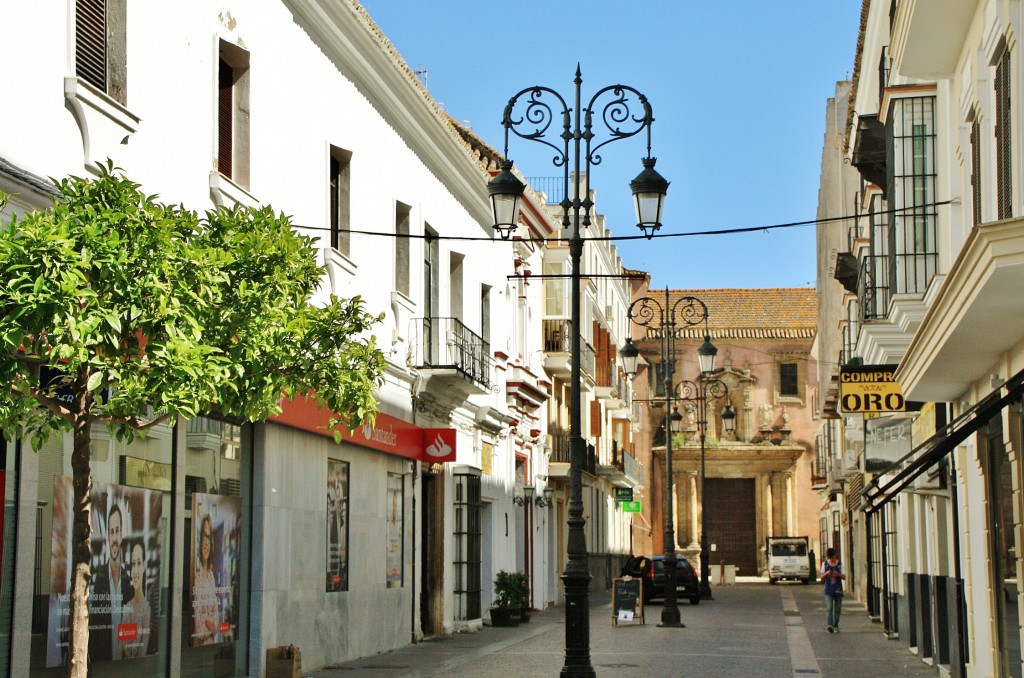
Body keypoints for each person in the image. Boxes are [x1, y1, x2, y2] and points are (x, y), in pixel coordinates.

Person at [90, 502, 134, 662]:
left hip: (125, 661)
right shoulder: (98, 580)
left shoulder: (128, 582)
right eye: (111, 532)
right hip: (103, 660)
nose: (114, 538)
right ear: (108, 537)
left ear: (121, 535)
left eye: (117, 531)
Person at [121, 542, 152, 659]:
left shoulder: (146, 610)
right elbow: (120, 650)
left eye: (138, 563)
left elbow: (142, 654)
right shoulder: (127, 607)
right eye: (133, 564)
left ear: (144, 566)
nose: (135, 570)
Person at [192, 514, 218, 646]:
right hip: (198, 647)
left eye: (209, 537)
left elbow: (217, 621)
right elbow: (198, 629)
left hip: (211, 645)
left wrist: (204, 618)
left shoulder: (211, 577)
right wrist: (211, 623)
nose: (206, 542)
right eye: (204, 536)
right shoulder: (195, 578)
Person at [821, 547, 845, 633]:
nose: (832, 559)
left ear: (835, 556)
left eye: (832, 558)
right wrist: (827, 573)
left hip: (838, 589)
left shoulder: (840, 564)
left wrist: (838, 574)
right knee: (829, 607)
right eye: (830, 558)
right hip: (828, 589)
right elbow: (821, 577)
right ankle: (829, 625)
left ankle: (835, 625)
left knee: (837, 609)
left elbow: (844, 577)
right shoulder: (825, 564)